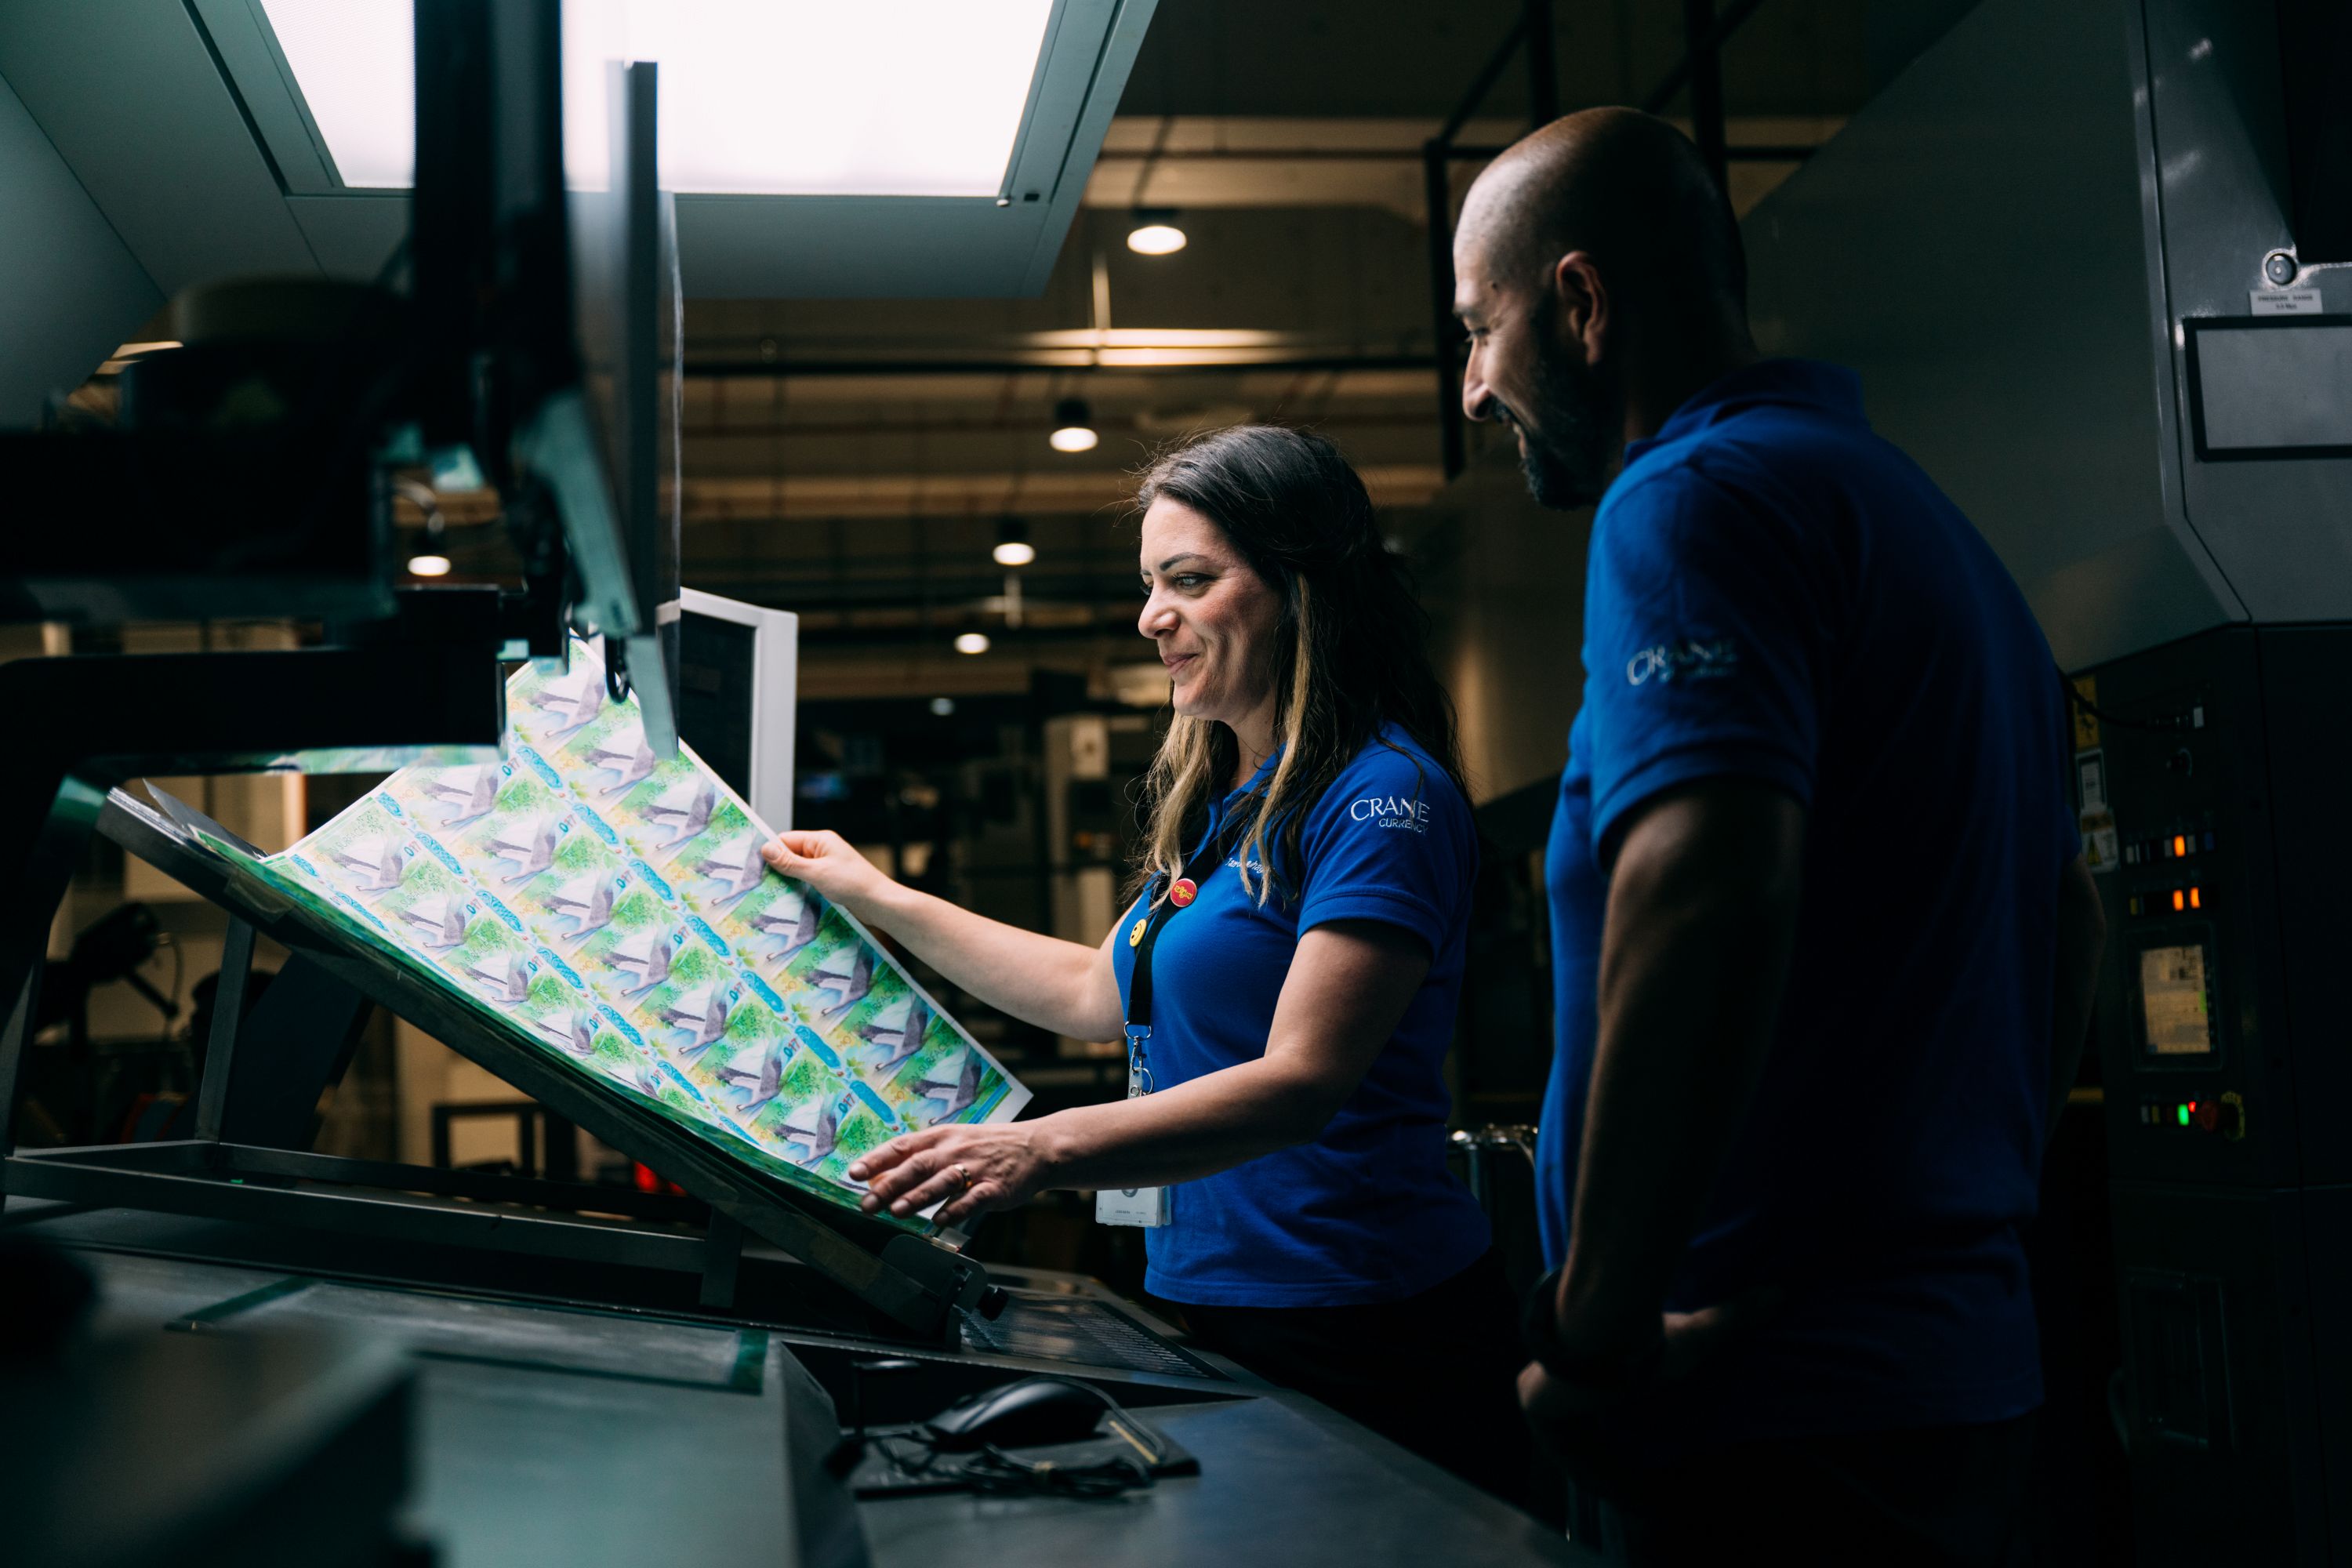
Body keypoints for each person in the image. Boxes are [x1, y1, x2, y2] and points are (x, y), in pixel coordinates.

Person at [1448, 109, 2107, 1563]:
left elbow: (1703, 895)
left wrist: (1598, 1321)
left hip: (1756, 1406)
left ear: (1580, 302)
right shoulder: (1927, 528)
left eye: (1482, 330)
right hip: (1948, 1379)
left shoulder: (1688, 500)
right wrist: (1952, 1228)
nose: (1477, 387)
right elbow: (2070, 924)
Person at [760, 425, 1531, 1501]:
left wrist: (1036, 1151)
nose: (1150, 616)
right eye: (1149, 583)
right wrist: (879, 898)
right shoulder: (1228, 808)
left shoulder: (1380, 800)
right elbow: (1095, 992)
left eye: (1190, 580)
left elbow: (1301, 1084)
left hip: (1364, 1325)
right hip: (1212, 1306)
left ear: (1299, 589)